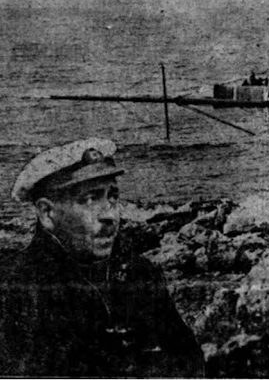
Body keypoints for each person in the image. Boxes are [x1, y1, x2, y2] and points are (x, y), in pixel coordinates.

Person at [0, 138, 205, 377]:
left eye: (112, 196)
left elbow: (190, 363)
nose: (110, 215)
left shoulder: (140, 274)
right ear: (47, 213)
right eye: (90, 199)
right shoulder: (19, 290)